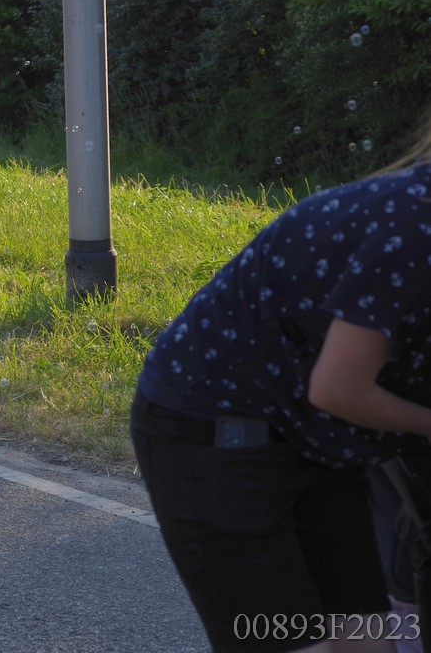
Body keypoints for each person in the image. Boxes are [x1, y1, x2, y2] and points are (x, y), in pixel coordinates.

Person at [132, 117, 431, 653]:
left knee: (367, 641)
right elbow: (338, 389)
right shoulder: (415, 228)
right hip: (217, 426)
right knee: (293, 643)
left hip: (326, 437)